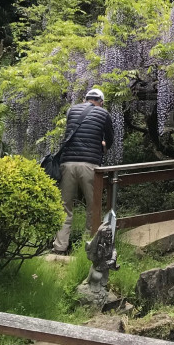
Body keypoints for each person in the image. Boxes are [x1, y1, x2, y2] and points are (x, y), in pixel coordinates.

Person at [52, 87, 114, 255]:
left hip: (68, 163)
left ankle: (59, 247)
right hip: (90, 165)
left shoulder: (72, 110)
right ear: (101, 102)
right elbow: (109, 139)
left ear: (86, 99)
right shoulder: (104, 114)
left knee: (65, 206)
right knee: (93, 207)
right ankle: (88, 248)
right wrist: (103, 145)